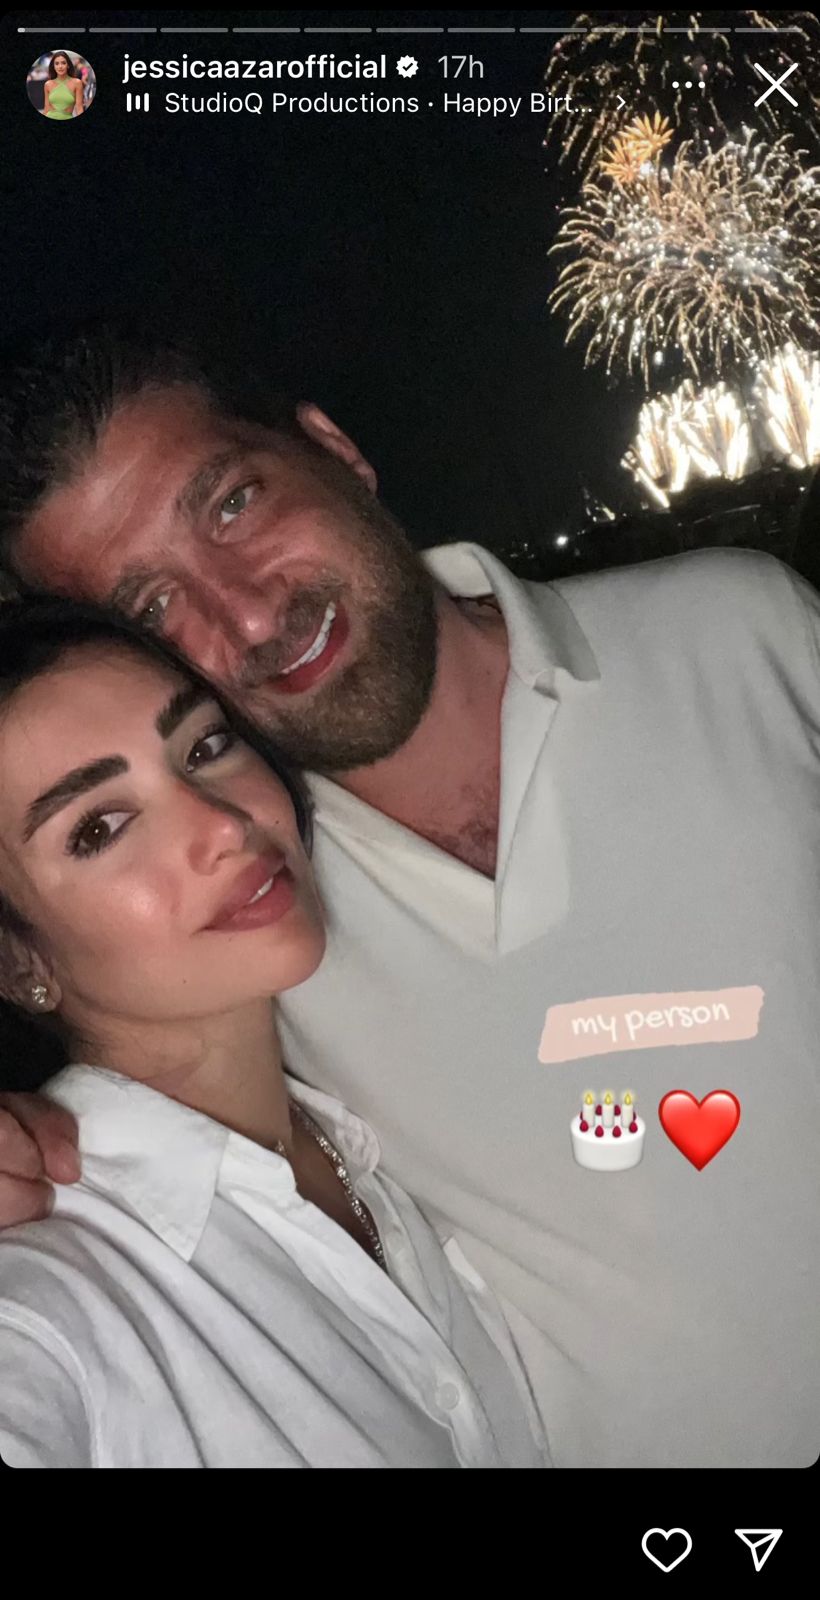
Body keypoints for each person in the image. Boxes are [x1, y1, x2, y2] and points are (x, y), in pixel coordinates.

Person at [0, 325, 818, 1468]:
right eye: (149, 608)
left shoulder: (741, 630)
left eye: (232, 504)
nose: (247, 615)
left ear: (333, 448)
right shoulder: (250, 924)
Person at [0, 594, 546, 1469]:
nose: (223, 824)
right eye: (99, 827)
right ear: (18, 959)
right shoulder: (49, 1287)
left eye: (206, 747)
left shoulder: (369, 1146)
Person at [41, 53, 84, 121]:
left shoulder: (77, 83)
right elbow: (46, 108)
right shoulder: (47, 84)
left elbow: (79, 108)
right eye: (57, 64)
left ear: (68, 65)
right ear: (53, 66)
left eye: (63, 63)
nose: (60, 66)